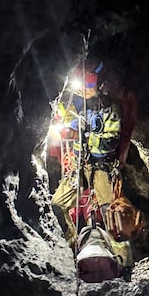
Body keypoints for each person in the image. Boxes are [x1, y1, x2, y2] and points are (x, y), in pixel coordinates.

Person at [49, 63, 122, 248]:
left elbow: (111, 141)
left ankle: (122, 258)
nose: (85, 90)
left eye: (88, 87)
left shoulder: (108, 109)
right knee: (56, 205)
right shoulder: (75, 104)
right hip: (77, 168)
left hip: (100, 167)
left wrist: (87, 134)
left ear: (97, 86)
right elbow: (65, 120)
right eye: (83, 86)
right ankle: (69, 246)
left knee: (111, 212)